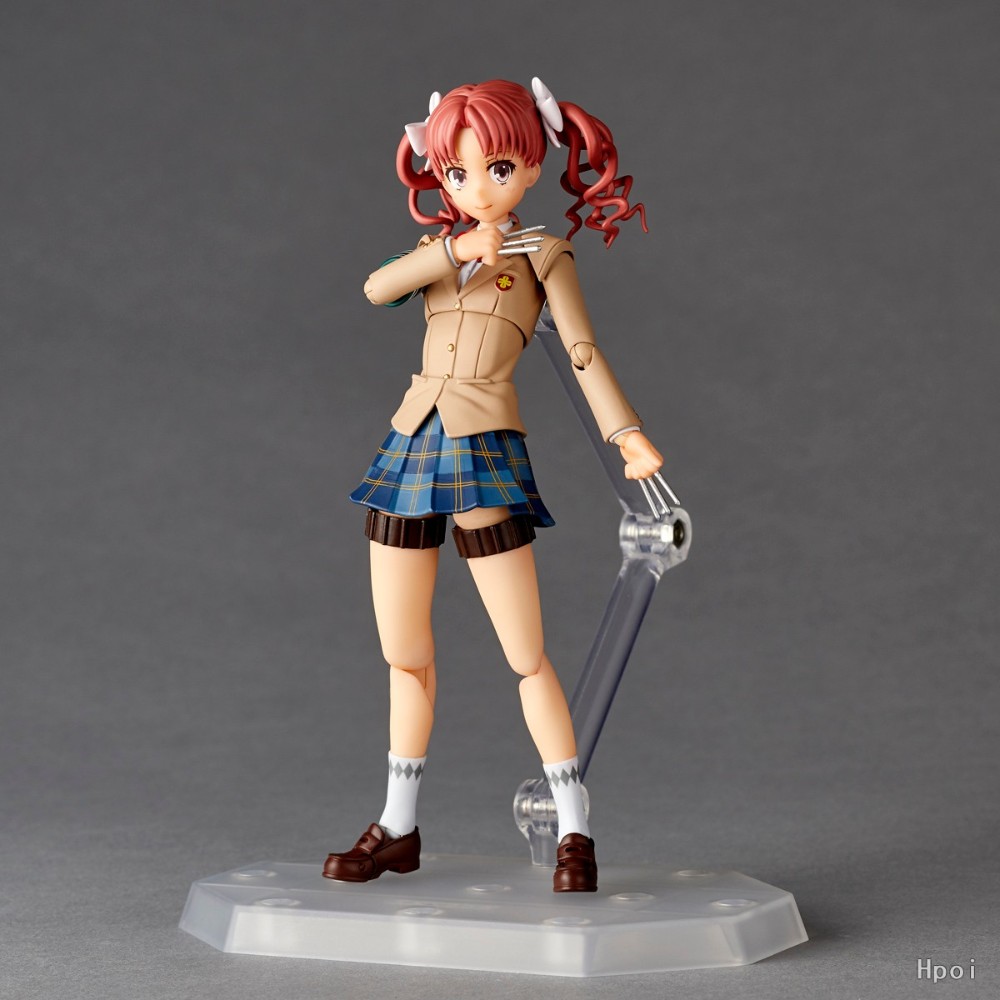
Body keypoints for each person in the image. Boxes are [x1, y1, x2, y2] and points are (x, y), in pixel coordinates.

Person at [323, 78, 663, 893]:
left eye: (498, 168)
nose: (478, 188)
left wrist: (626, 435)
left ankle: (574, 825)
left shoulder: (543, 254)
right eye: (457, 173)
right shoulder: (440, 252)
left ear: (532, 166)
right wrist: (454, 250)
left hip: (484, 449)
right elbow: (375, 287)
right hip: (412, 443)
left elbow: (581, 350)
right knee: (403, 653)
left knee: (525, 654)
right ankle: (397, 824)